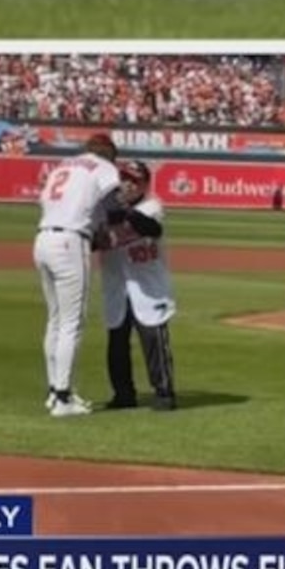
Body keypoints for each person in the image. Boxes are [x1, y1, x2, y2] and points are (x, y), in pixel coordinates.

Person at [33, 133, 121, 417]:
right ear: (108, 152)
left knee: (56, 319)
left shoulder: (63, 165)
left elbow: (45, 200)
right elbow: (112, 204)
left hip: (43, 238)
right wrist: (107, 227)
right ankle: (63, 397)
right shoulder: (104, 167)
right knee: (73, 321)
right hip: (71, 241)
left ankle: (53, 391)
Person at [95, 159, 178, 411]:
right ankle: (123, 394)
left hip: (148, 286)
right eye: (124, 179)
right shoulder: (103, 211)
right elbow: (94, 242)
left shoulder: (152, 206)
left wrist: (118, 213)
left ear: (144, 185)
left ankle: (164, 392)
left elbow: (145, 227)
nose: (128, 185)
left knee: (154, 341)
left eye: (134, 181)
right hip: (117, 286)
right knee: (117, 342)